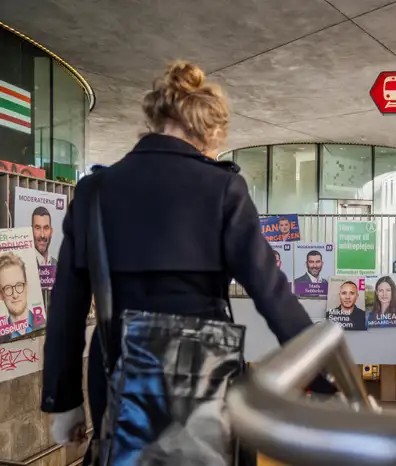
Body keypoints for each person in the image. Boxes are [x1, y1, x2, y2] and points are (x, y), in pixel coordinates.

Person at [40, 61, 336, 465]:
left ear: (156, 120)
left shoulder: (94, 192)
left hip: (119, 373)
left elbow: (67, 306)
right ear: (208, 134)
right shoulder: (223, 188)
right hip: (205, 375)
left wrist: (63, 400)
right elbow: (271, 293)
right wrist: (324, 382)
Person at [0, 252, 42, 337]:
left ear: (26, 286)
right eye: (7, 288)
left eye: (19, 285)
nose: (15, 295)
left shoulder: (46, 325)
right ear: (1, 295)